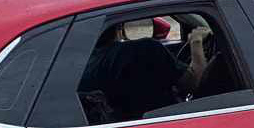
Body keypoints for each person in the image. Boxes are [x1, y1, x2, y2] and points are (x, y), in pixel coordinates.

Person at [78, 21, 212, 121]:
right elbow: (192, 83)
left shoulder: (81, 67)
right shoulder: (146, 49)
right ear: (120, 28)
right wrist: (196, 41)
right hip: (166, 124)